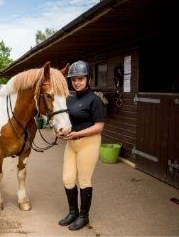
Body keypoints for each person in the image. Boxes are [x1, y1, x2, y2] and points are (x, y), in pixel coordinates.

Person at [58, 60, 105, 231]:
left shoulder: (94, 100)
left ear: (88, 79)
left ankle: (84, 216)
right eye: (74, 79)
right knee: (67, 179)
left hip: (88, 144)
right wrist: (64, 132)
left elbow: (99, 126)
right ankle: (73, 212)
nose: (77, 83)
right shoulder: (71, 100)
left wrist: (77, 134)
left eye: (80, 79)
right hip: (72, 144)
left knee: (84, 180)